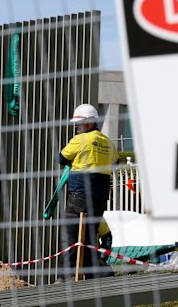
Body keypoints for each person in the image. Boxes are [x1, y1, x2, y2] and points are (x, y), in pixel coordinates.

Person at [56, 104, 117, 282]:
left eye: (79, 123)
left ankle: (65, 280)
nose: (77, 127)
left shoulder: (80, 140)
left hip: (79, 195)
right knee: (90, 237)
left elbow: (62, 158)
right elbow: (114, 161)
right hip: (100, 198)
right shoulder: (107, 142)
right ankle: (93, 278)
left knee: (71, 236)